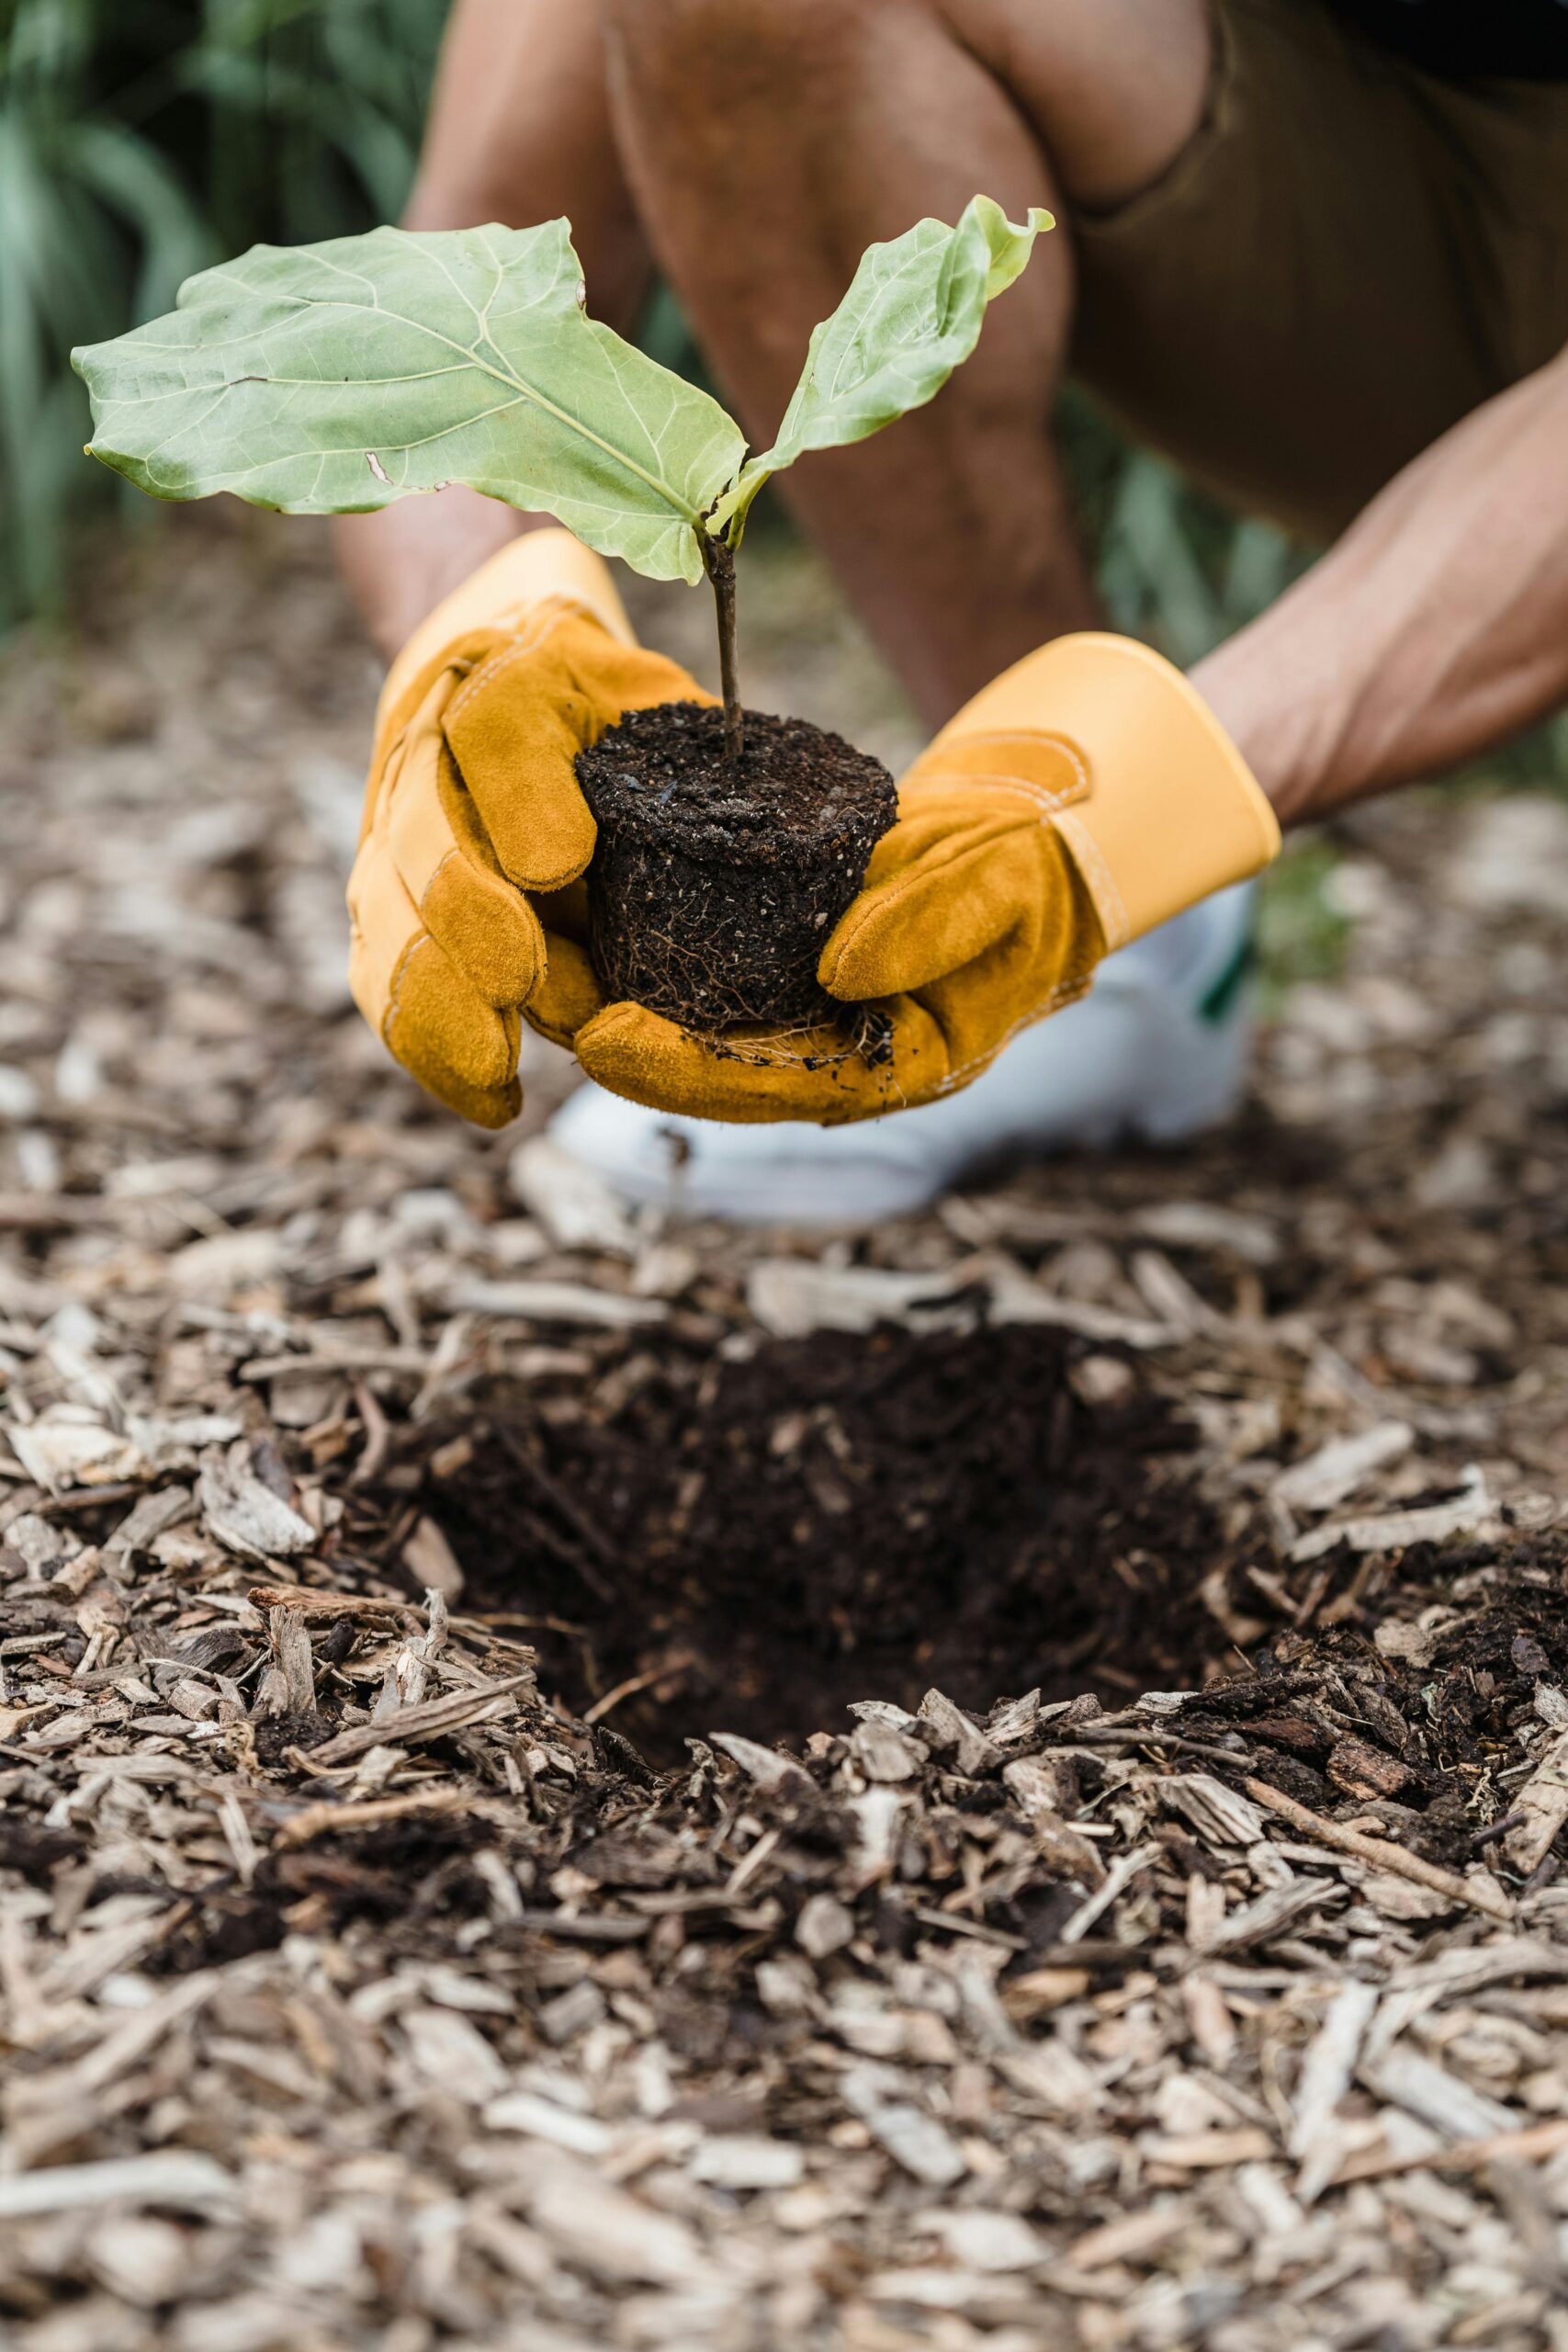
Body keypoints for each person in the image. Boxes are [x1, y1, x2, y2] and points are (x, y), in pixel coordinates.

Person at [340, 0, 1568, 1222]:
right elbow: (449, 311)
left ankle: (1091, 911)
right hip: (1342, 230)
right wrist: (475, 627)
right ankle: (1092, 966)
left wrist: (1134, 794)